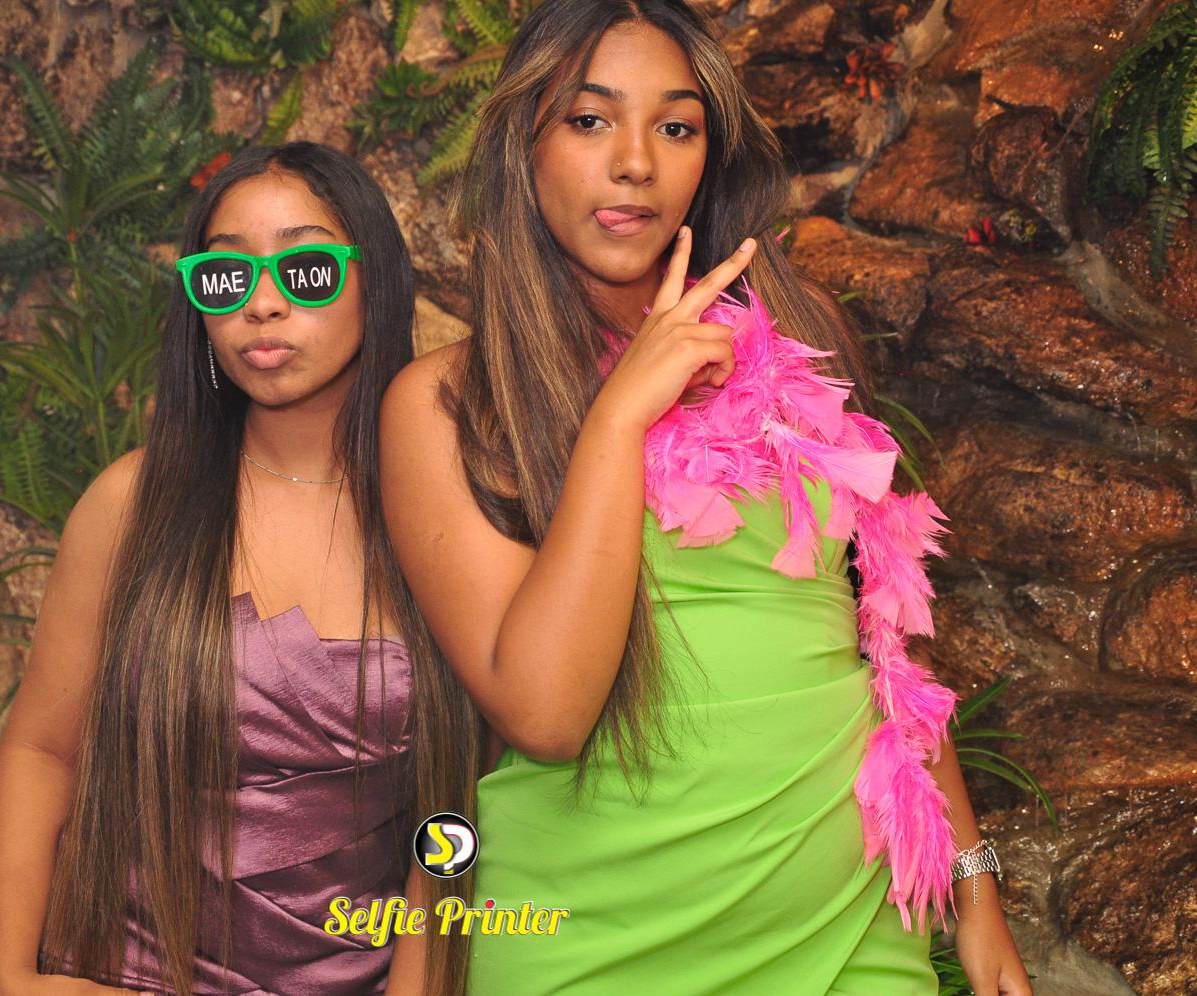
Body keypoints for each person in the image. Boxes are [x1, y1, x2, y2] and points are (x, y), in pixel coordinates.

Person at [379, 2, 1033, 993]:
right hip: (593, 945)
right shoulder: (449, 404)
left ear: (708, 159)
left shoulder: (799, 343)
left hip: (850, 937)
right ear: (523, 144)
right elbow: (545, 713)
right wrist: (617, 421)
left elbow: (888, 645)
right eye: (590, 119)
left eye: (676, 126)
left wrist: (976, 890)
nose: (636, 162)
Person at [0, 141, 421, 995]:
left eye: (306, 270)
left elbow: (461, 819)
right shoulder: (133, 505)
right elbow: (41, 750)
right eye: (225, 277)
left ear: (375, 280)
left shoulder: (434, 515)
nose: (262, 303)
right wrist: (14, 978)